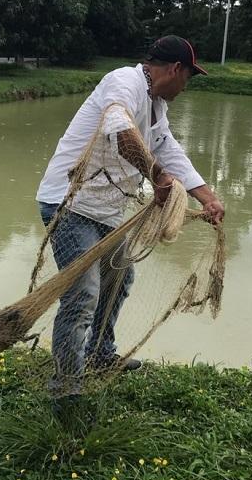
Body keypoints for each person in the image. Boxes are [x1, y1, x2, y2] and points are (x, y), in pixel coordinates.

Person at [36, 35, 225, 396]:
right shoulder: (124, 82)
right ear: (174, 69)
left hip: (106, 210)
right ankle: (65, 384)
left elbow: (167, 149)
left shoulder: (157, 106)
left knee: (118, 279)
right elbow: (119, 131)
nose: (186, 87)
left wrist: (207, 196)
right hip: (69, 203)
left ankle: (99, 354)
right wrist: (157, 177)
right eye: (188, 77)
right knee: (83, 292)